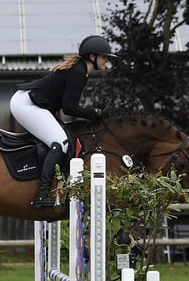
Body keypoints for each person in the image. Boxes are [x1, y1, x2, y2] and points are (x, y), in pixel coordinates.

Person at [9, 35, 117, 208]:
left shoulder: (80, 70)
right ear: (92, 57)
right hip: (26, 104)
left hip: (34, 104)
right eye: (104, 57)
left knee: (66, 137)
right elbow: (69, 108)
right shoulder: (79, 72)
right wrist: (95, 113)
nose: (106, 61)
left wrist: (94, 113)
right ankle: (42, 194)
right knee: (60, 142)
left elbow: (66, 106)